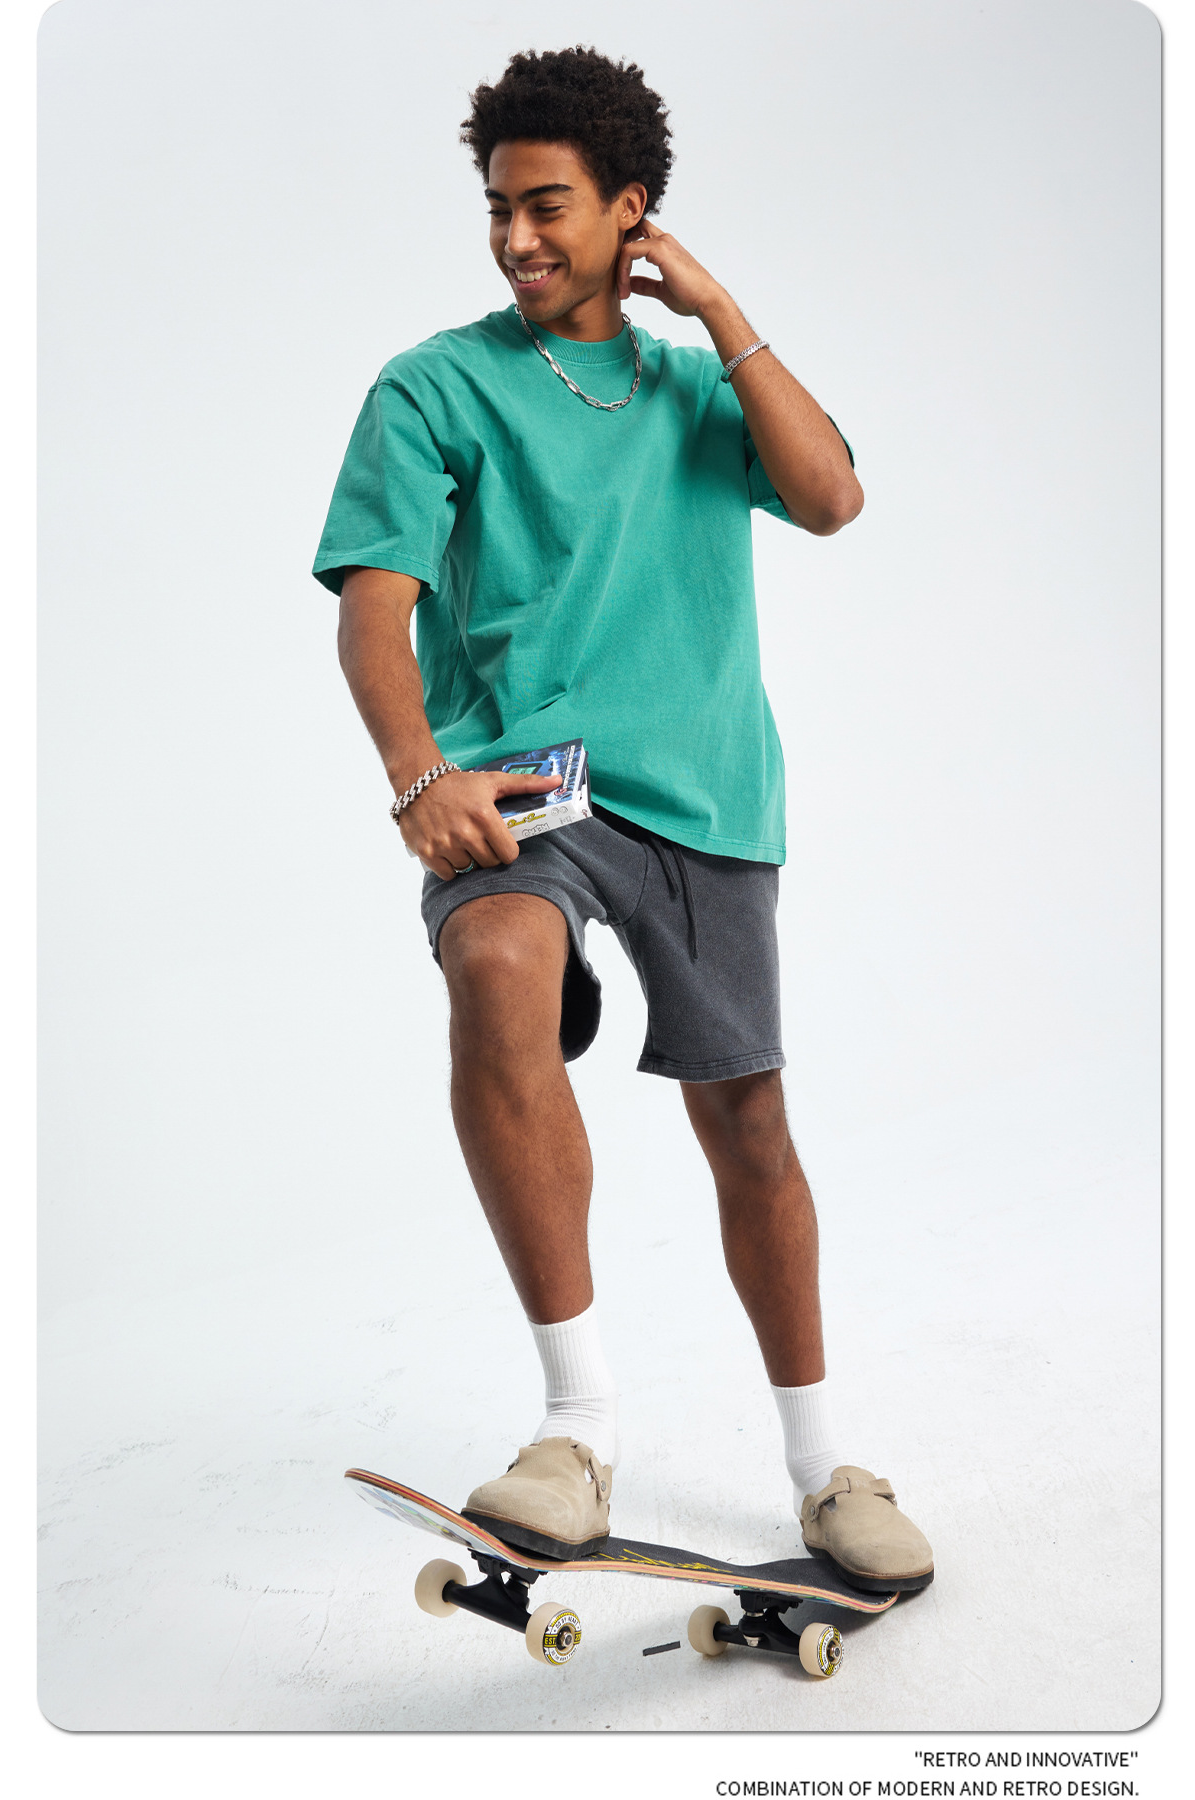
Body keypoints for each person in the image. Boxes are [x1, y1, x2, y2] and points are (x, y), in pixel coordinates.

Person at [314, 46, 932, 1592]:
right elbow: (375, 613)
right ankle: (576, 1432)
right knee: (498, 967)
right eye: (498, 207)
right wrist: (419, 774)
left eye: (548, 205)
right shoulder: (435, 387)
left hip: (711, 798)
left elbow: (834, 498)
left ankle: (823, 1467)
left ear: (629, 209)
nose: (517, 236)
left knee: (750, 1124)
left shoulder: (702, 392)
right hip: (532, 786)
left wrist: (720, 312)